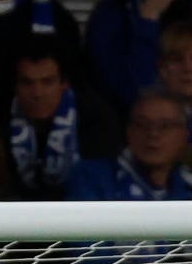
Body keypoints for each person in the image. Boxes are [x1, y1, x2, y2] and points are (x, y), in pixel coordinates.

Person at [8, 42, 120, 200]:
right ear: (15, 86)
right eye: (27, 83)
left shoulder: (97, 119)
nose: (37, 93)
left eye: (47, 82)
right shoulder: (0, 117)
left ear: (64, 84)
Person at [68, 88, 192, 201]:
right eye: (143, 124)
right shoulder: (92, 177)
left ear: (184, 135)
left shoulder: (190, 187)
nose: (153, 134)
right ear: (129, 132)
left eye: (165, 126)